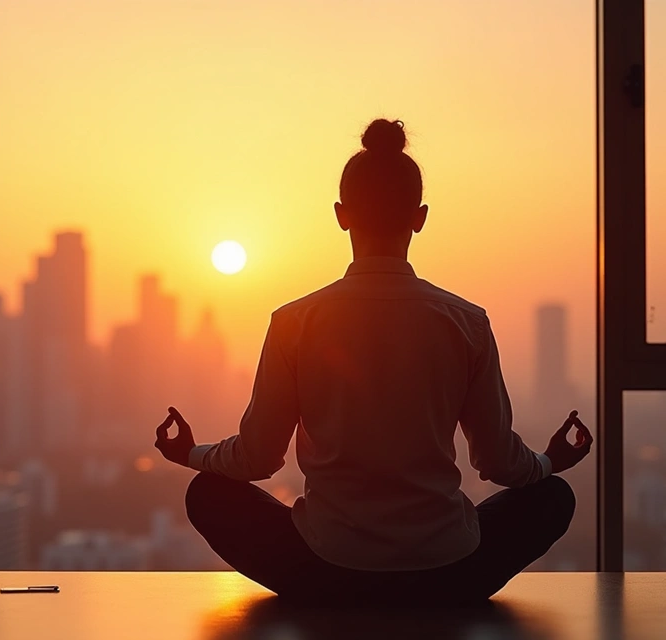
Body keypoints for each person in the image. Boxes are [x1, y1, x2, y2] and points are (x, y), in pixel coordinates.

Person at [153, 119, 592, 605]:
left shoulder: (295, 322)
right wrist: (550, 461)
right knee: (554, 496)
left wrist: (191, 454)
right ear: (419, 217)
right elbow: (499, 462)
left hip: (325, 569)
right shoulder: (466, 322)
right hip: (447, 571)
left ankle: (343, 598)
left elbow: (257, 458)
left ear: (341, 215)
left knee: (207, 494)